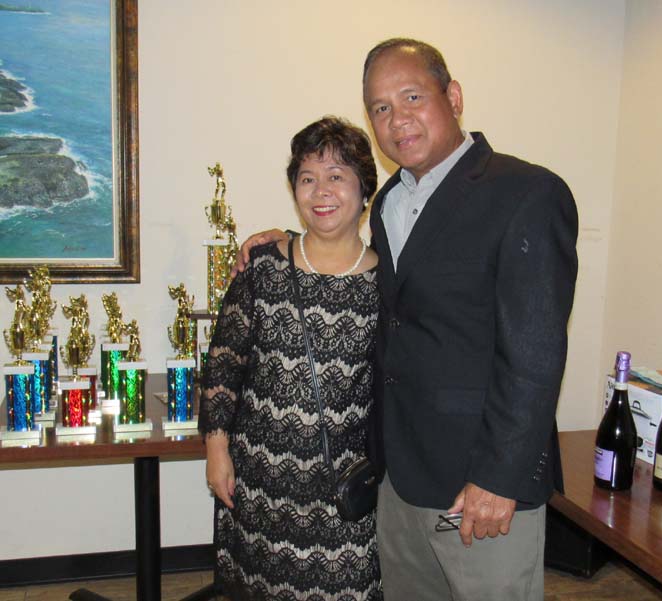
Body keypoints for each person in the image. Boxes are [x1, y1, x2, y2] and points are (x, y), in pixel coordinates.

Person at [235, 38, 578, 601]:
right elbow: (371, 278)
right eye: (381, 107)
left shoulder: (526, 193)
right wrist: (287, 242)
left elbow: (535, 354)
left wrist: (499, 478)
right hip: (398, 480)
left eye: (413, 96)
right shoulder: (391, 199)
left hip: (479, 489)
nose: (397, 119)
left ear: (454, 97)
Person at [199, 116, 382, 601]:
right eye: (307, 178)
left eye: (337, 176)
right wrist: (216, 450)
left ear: (364, 189)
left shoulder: (388, 282)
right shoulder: (263, 268)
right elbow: (223, 364)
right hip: (260, 484)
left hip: (344, 491)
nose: (321, 191)